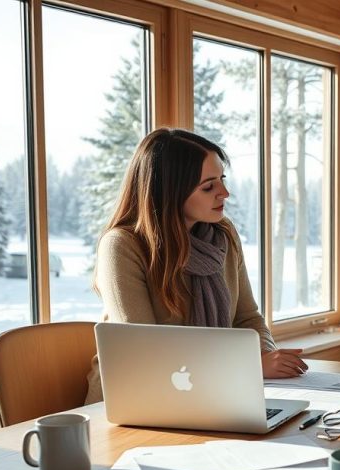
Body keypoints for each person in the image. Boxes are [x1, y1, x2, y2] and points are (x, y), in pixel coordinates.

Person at [83, 128, 306, 404]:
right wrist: (249, 366)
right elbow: (146, 353)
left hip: (211, 392)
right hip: (134, 401)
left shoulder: (222, 236)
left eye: (222, 180)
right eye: (208, 186)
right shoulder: (122, 246)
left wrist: (264, 355)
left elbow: (247, 318)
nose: (224, 193)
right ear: (170, 191)